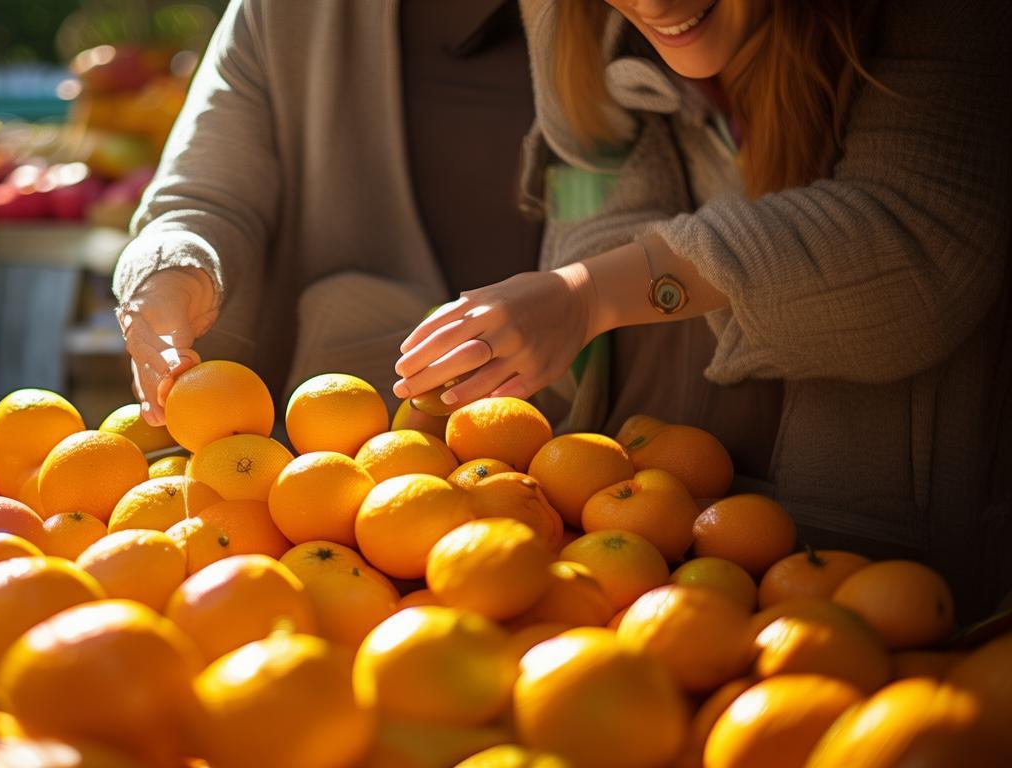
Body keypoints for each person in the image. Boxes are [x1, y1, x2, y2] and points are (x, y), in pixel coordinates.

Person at [395, 0, 1011, 616]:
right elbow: (584, 167)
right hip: (640, 548)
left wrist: (591, 294)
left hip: (893, 566)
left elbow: (918, 245)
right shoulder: (572, 17)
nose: (657, 5)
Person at [114, 0, 544, 425]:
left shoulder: (599, 18)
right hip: (327, 438)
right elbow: (204, 196)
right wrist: (169, 273)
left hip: (568, 436)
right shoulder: (282, 12)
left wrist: (585, 300)